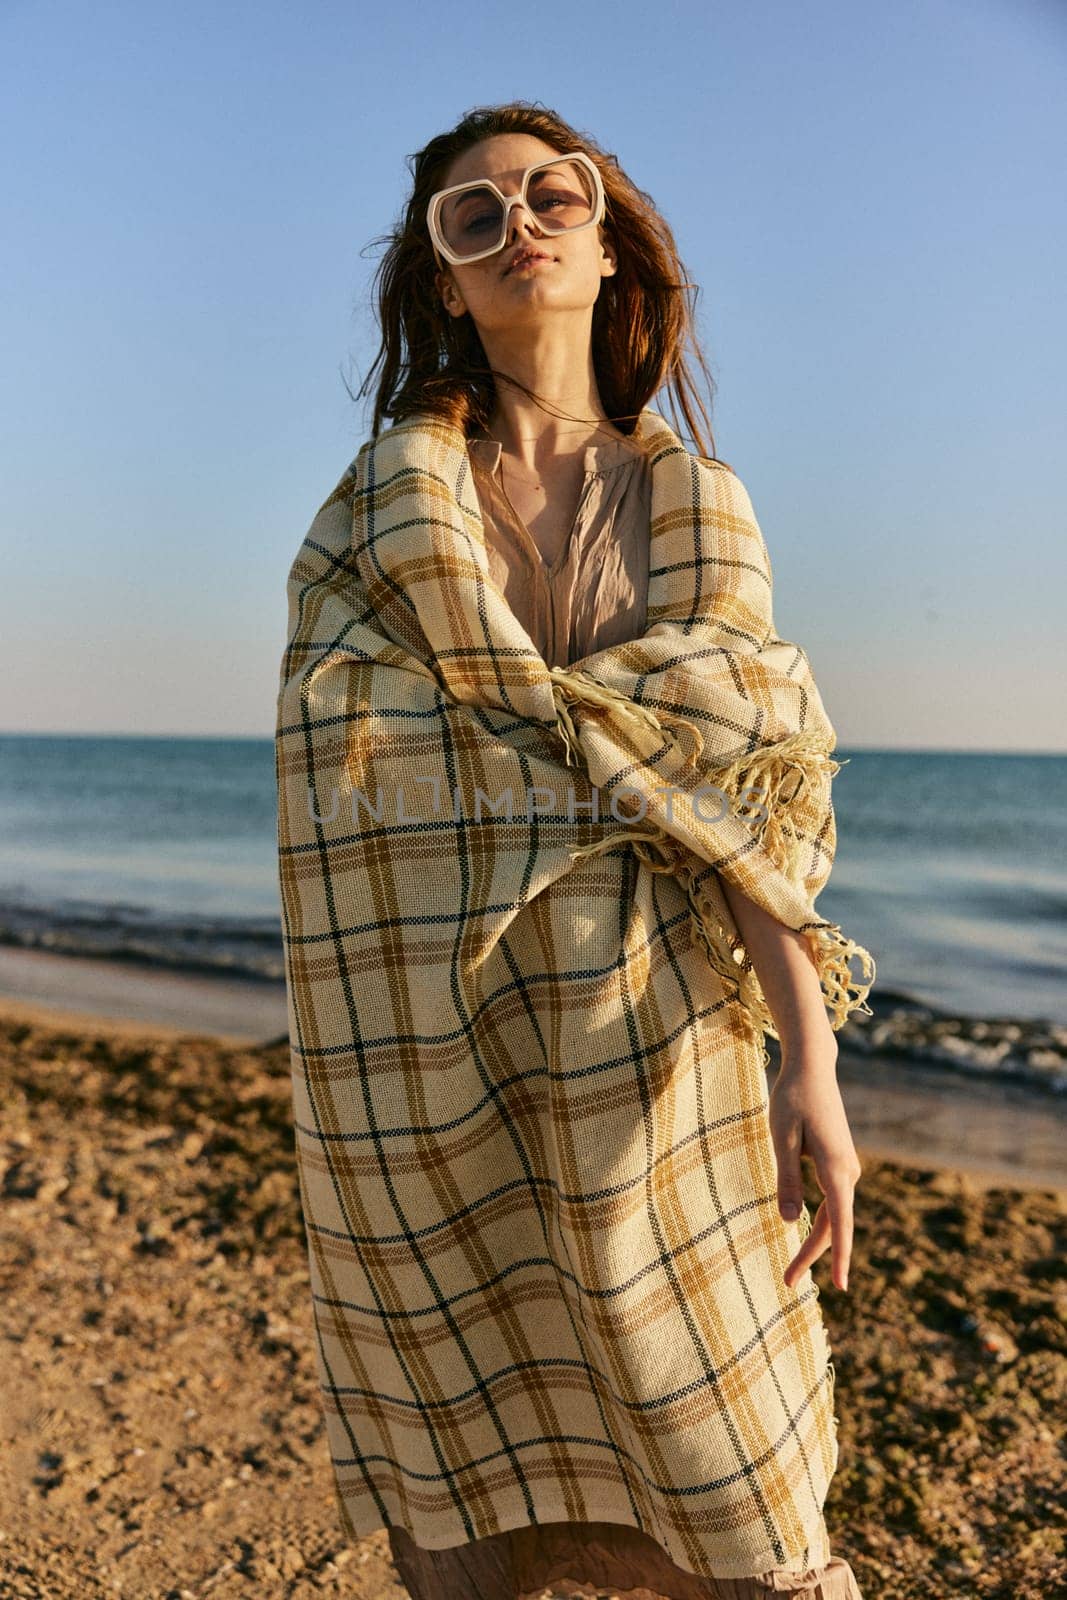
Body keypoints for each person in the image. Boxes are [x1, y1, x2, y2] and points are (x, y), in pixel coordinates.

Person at [275, 101, 870, 1600]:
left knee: (733, 1482)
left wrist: (814, 1062)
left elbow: (751, 805)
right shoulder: (371, 518)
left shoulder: (696, 508)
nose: (518, 225)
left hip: (659, 1053)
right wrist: (600, 760)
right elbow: (344, 775)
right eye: (472, 218)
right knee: (468, 1506)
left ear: (610, 248)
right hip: (425, 1061)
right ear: (446, 285)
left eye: (553, 196)